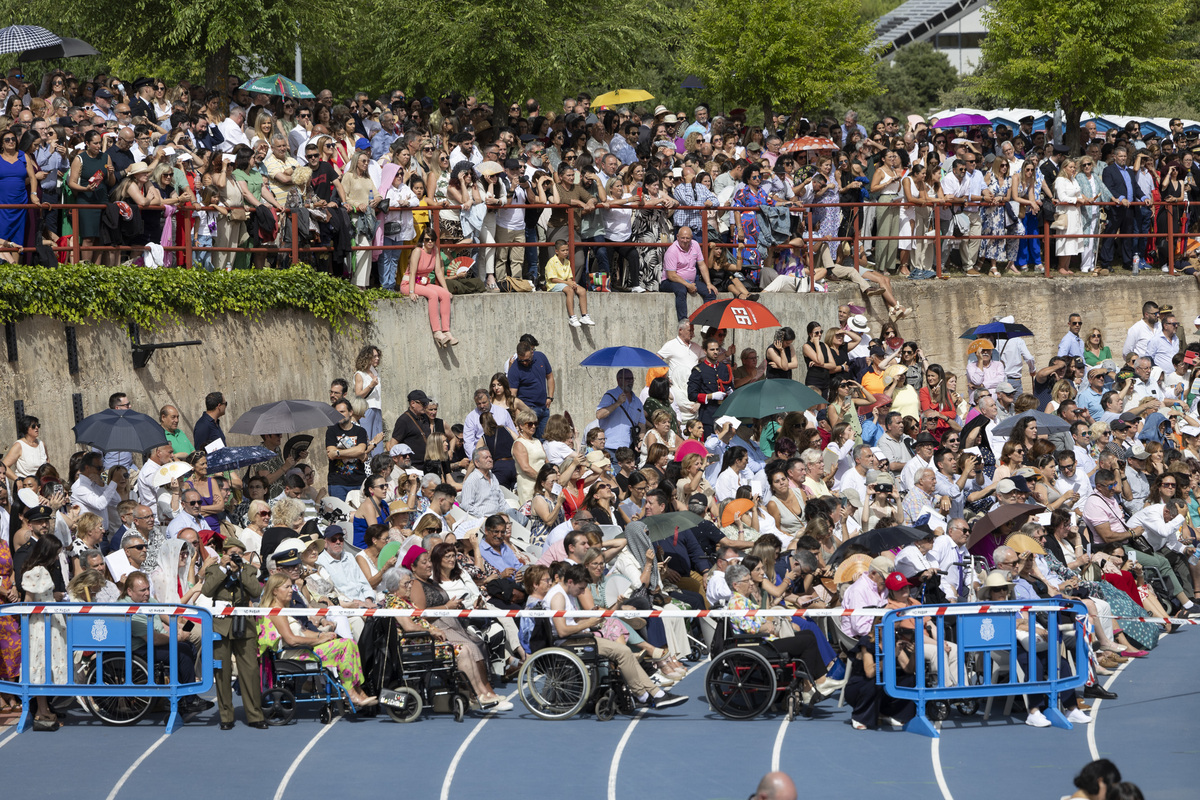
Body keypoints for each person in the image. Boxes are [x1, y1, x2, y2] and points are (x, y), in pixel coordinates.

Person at [200, 536, 266, 729]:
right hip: (221, 625)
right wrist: (223, 568)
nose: (234, 557)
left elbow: (255, 591)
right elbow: (207, 591)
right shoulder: (214, 570)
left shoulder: (250, 570)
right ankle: (226, 716)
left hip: (244, 624)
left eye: (238, 554)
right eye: (231, 554)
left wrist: (241, 571)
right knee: (222, 671)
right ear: (224, 553)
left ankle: (255, 715)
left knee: (250, 670)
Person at [405, 228, 458, 346]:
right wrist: (411, 291)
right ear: (422, 240)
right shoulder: (418, 251)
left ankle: (446, 331)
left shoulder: (435, 250)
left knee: (444, 295)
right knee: (432, 295)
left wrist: (446, 290)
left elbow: (438, 271)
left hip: (423, 283)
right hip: (409, 283)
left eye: (432, 240)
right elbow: (412, 273)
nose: (430, 242)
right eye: (427, 239)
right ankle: (437, 332)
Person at [659, 226, 715, 321]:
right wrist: (688, 285)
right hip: (670, 281)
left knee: (710, 293)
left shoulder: (695, 245)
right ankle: (683, 322)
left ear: (691, 237)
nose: (685, 240)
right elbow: (671, 275)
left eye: (687, 238)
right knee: (681, 291)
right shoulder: (672, 251)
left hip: (691, 281)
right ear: (677, 237)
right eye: (682, 238)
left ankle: (708, 322)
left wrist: (709, 283)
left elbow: (702, 265)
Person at [326, 397, 371, 502]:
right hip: (337, 483)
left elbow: (360, 450)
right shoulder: (331, 431)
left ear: (350, 412)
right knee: (339, 515)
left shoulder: (360, 431)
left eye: (342, 411)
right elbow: (331, 454)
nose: (339, 415)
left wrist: (338, 452)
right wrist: (357, 454)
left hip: (358, 481)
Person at [545, 239, 593, 327]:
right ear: (556, 251)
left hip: (565, 283)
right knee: (569, 291)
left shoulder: (567, 262)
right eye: (563, 250)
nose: (565, 252)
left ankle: (584, 315)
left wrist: (571, 283)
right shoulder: (551, 262)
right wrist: (568, 283)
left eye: (567, 250)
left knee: (582, 290)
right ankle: (572, 317)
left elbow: (569, 277)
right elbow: (553, 279)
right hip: (554, 285)